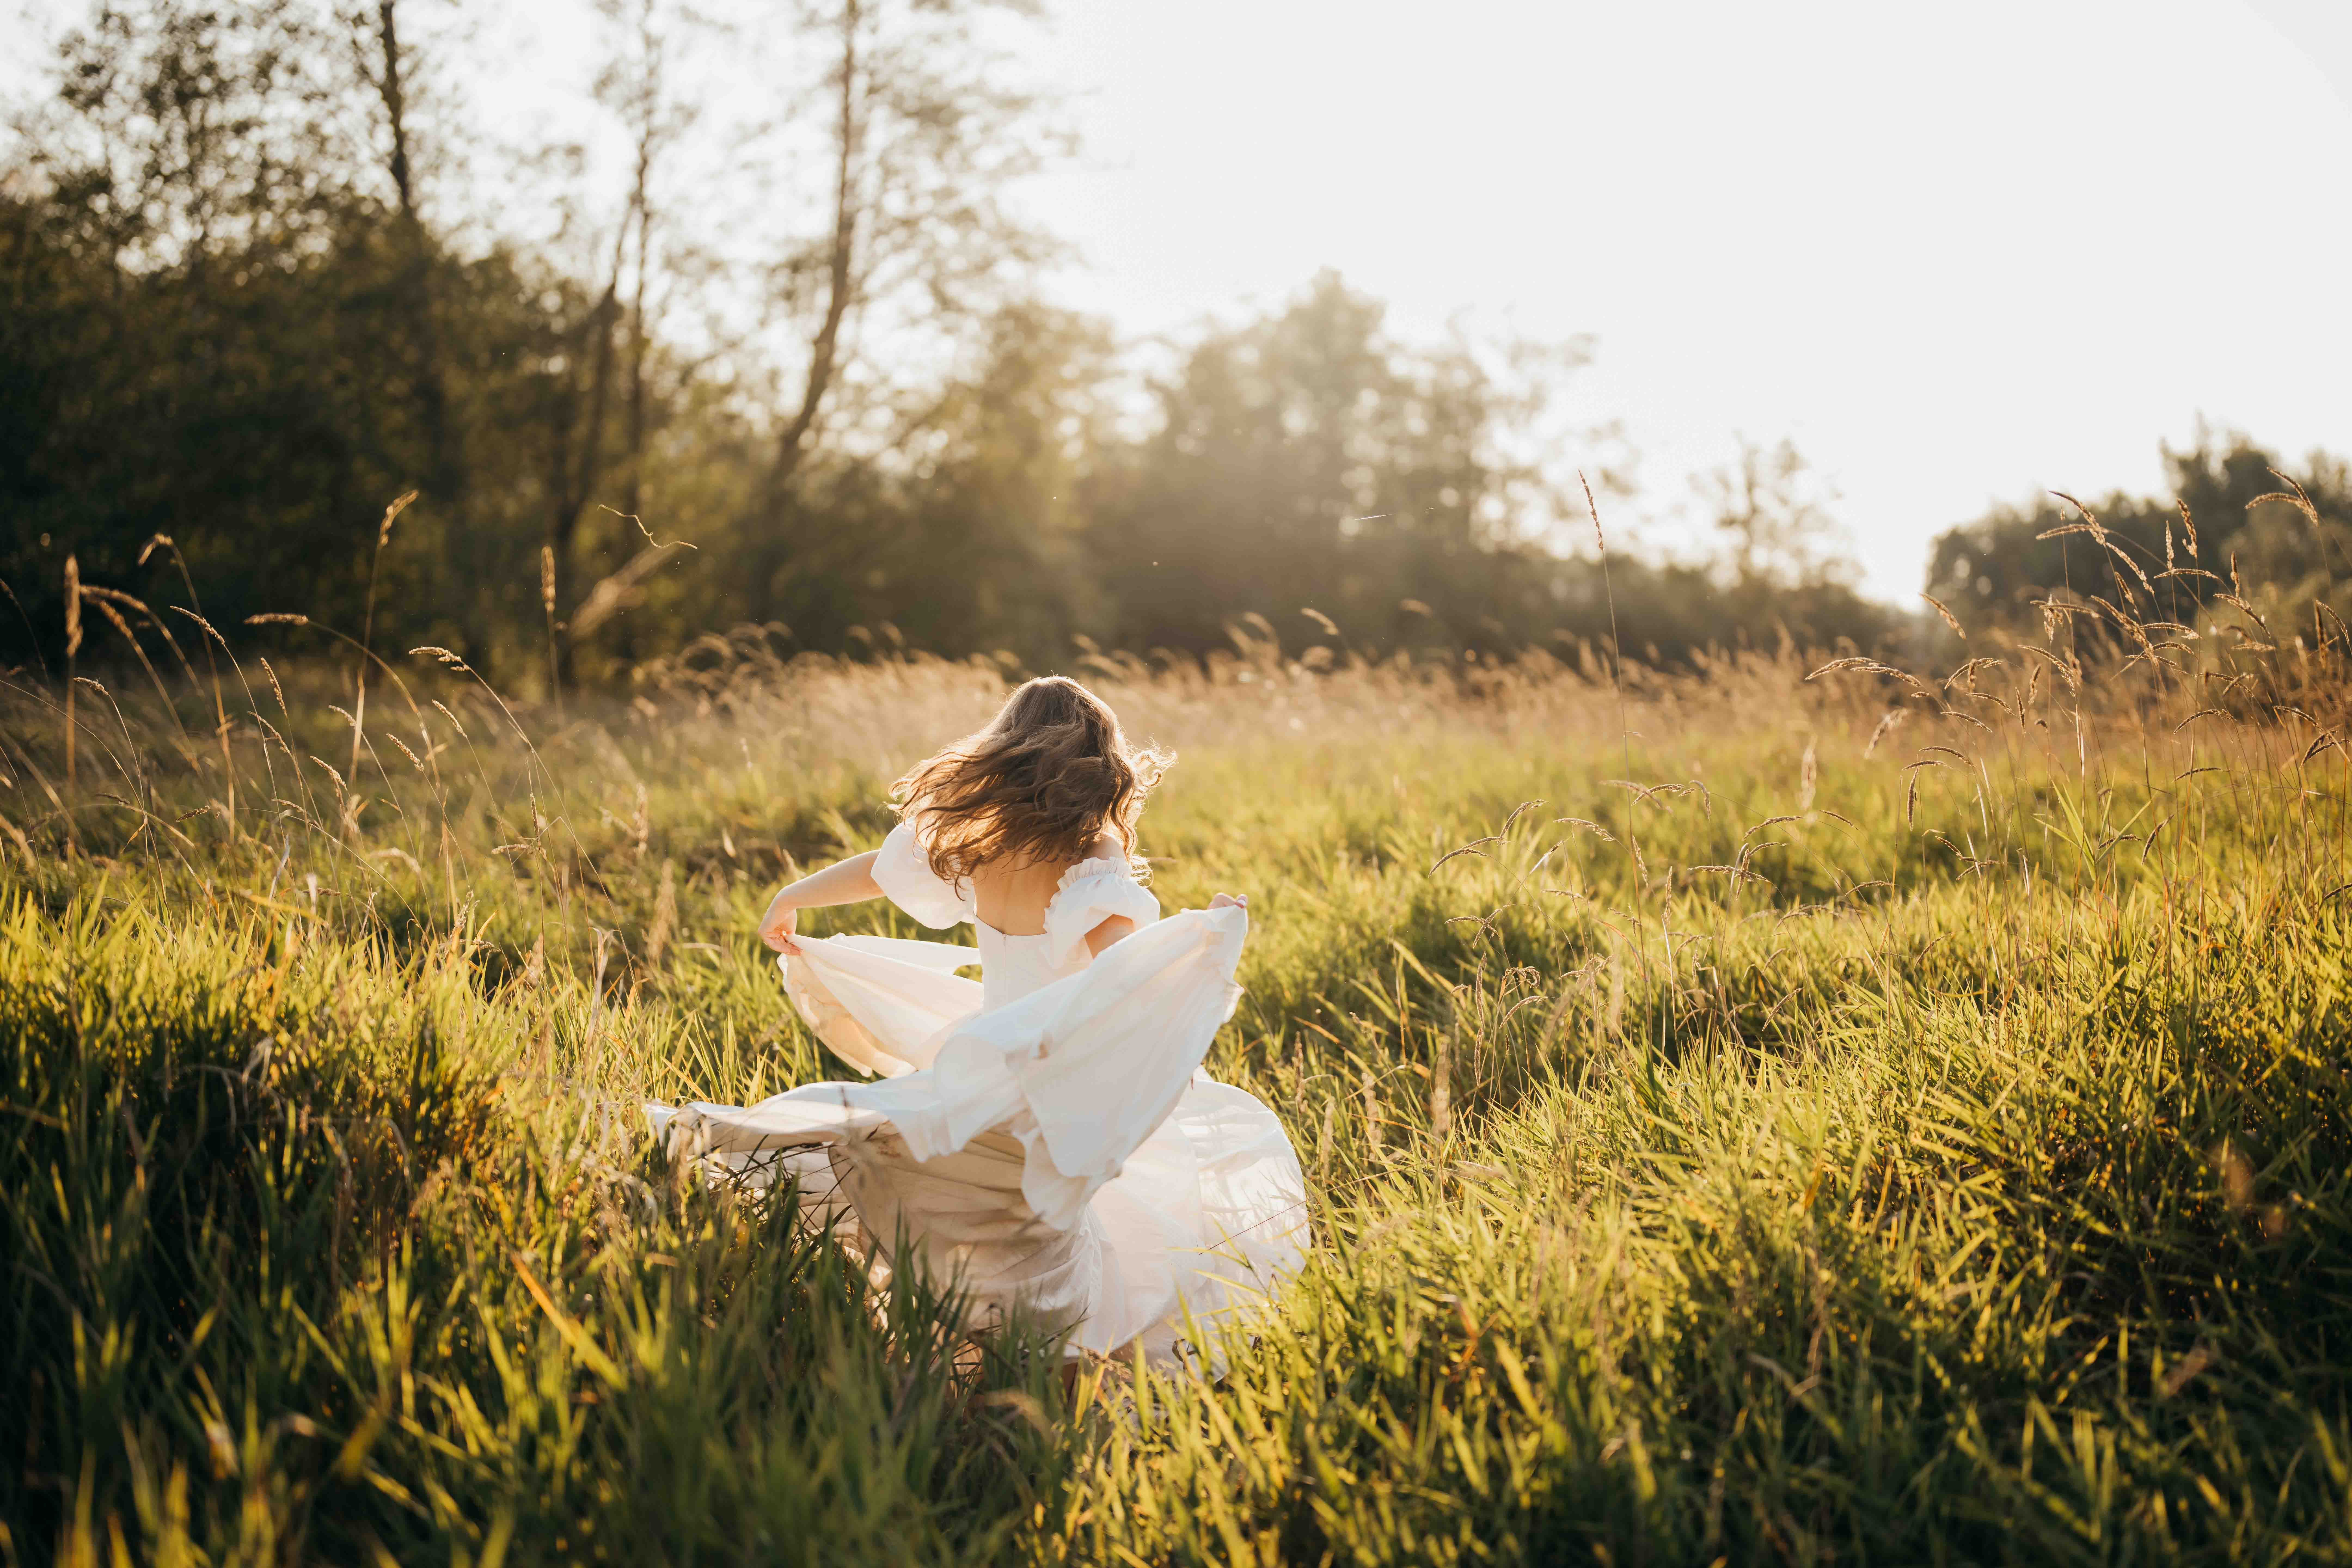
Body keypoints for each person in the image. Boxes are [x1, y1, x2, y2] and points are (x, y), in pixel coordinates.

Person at [647, 676, 1309, 1368]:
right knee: (1115, 1198)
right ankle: (1045, 1358)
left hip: (979, 1063)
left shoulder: (981, 846)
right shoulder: (1093, 860)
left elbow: (881, 870)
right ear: (1098, 767)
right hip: (1048, 1076)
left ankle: (985, 1348)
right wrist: (1204, 941)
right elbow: (1124, 973)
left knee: (976, 1208)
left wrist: (793, 896)